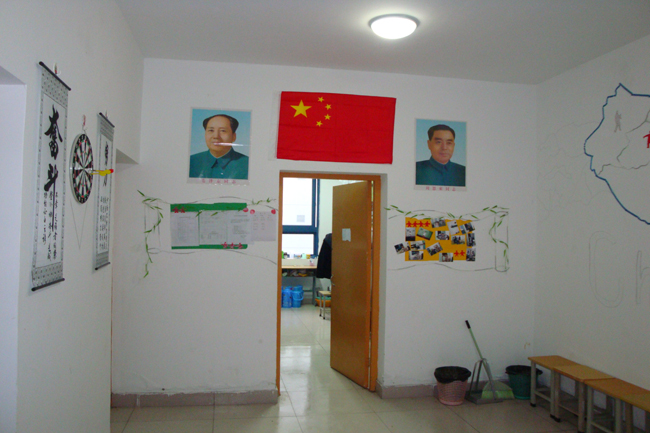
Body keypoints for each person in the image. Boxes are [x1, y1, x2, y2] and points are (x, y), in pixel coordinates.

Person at [189, 114, 249, 179]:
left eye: (223, 131)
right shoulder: (191, 161)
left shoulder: (247, 164)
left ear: (234, 137)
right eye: (211, 130)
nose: (216, 136)